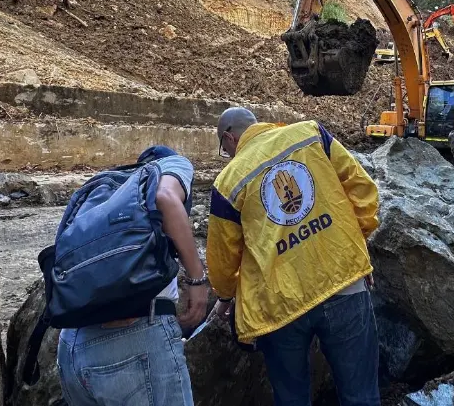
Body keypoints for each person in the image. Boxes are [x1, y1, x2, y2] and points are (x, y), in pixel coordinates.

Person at [207, 108, 380, 406]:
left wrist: (224, 296)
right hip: (343, 282)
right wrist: (355, 244)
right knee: (361, 397)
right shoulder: (310, 133)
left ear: (229, 138)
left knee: (292, 399)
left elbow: (223, 257)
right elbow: (363, 189)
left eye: (226, 150)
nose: (229, 156)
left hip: (279, 306)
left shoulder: (227, 183)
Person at [56, 145, 208, 406]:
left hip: (71, 344)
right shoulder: (171, 165)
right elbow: (165, 197)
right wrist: (197, 280)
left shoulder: (103, 189)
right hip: (134, 341)